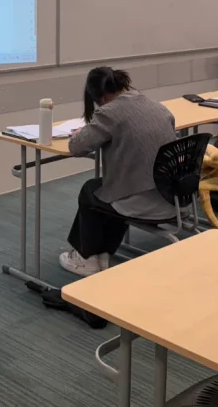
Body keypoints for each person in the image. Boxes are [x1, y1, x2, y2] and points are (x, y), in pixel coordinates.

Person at [59, 67, 177, 277]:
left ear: (102, 98)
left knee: (92, 191)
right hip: (173, 197)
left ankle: (86, 258)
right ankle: (104, 252)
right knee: (108, 188)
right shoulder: (158, 107)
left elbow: (76, 147)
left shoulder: (109, 113)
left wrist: (80, 133)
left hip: (143, 202)